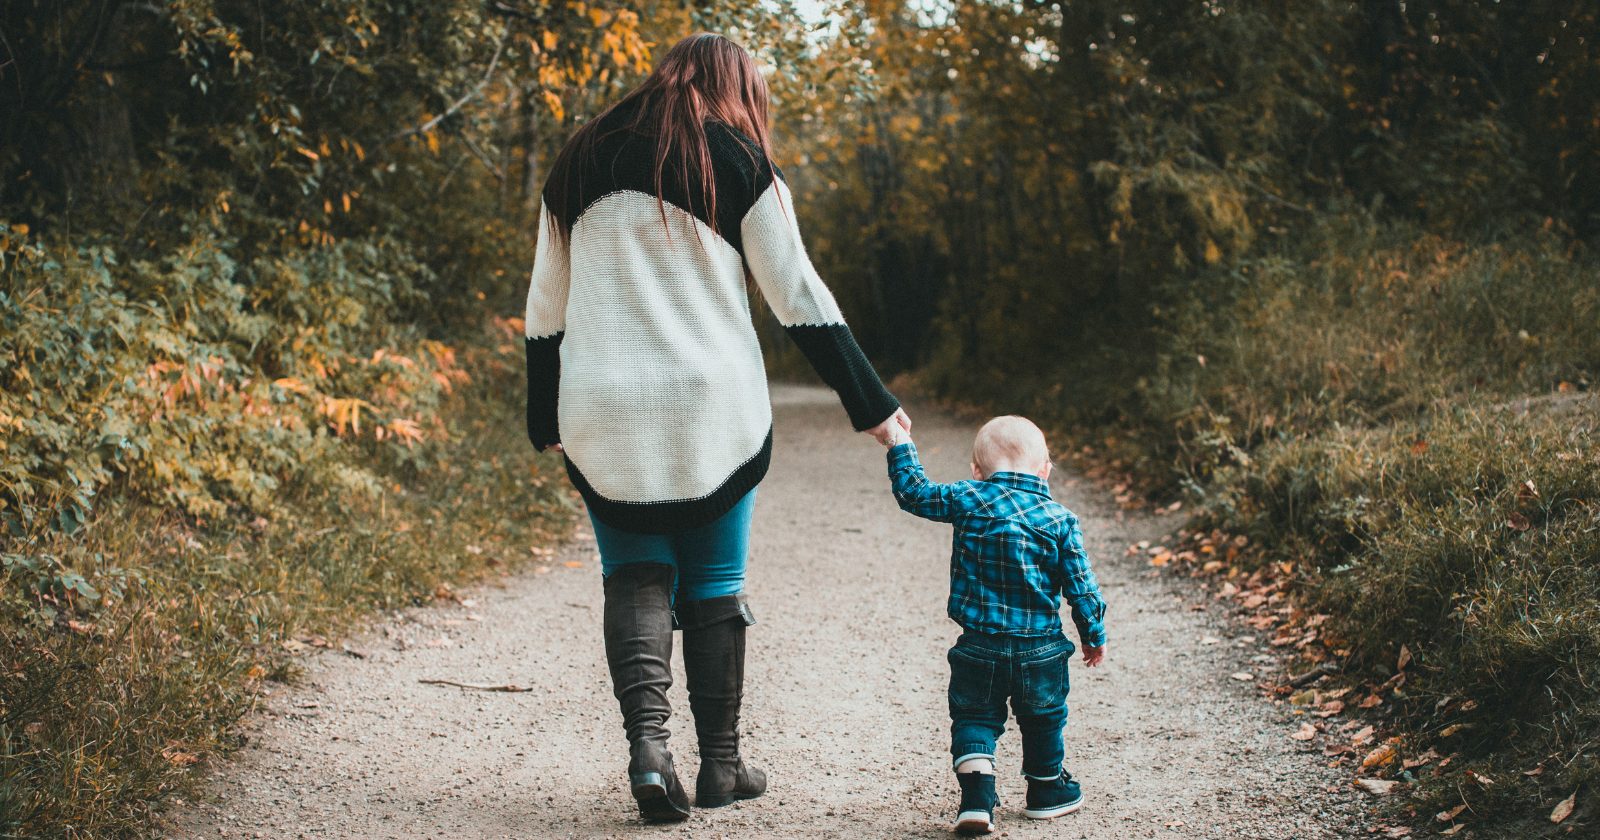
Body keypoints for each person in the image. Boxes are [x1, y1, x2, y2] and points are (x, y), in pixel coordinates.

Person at [522, 32, 911, 822]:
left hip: (602, 402)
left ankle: (648, 752)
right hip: (713, 408)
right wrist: (871, 404)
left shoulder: (580, 156)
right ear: (735, 87)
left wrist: (543, 412)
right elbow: (797, 293)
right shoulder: (735, 159)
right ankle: (722, 767)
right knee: (714, 583)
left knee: (633, 574)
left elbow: (544, 306)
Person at [882, 416, 1106, 835]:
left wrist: (899, 443)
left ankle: (977, 799)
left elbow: (913, 493)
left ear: (977, 471)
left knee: (974, 717)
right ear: (1045, 470)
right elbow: (1082, 588)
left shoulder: (968, 497)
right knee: (1044, 717)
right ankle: (1045, 790)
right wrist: (1093, 635)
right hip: (1040, 649)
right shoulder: (1060, 520)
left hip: (978, 645)